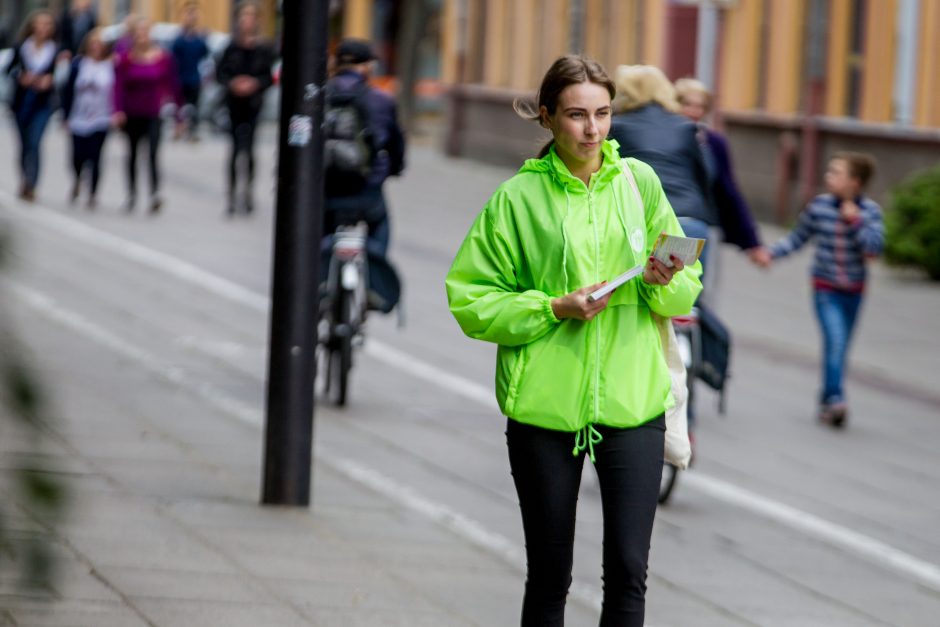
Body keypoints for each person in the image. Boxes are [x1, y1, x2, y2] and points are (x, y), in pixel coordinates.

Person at [445, 55, 702, 626]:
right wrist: (552, 307)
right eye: (577, 115)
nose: (592, 130)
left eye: (603, 114)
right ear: (547, 118)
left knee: (629, 572)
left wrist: (668, 281)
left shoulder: (640, 183)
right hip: (545, 404)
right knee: (550, 576)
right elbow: (471, 298)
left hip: (633, 400)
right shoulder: (517, 199)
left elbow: (686, 287)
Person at [751, 153, 883, 427]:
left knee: (840, 347)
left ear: (855, 182)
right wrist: (770, 254)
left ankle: (827, 399)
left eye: (837, 173)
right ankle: (836, 399)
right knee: (835, 341)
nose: (828, 177)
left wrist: (855, 221)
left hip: (854, 291)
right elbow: (798, 237)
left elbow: (873, 250)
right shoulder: (819, 207)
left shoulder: (870, 212)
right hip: (825, 288)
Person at [607, 65, 719, 298]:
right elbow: (707, 174)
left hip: (644, 221)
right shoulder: (685, 127)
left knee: (644, 292)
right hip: (691, 221)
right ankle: (694, 329)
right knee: (688, 296)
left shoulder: (616, 127)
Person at [321, 38, 405, 256]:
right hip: (367, 190)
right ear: (367, 66)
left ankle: (319, 277)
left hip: (327, 189)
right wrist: (394, 169)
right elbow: (396, 144)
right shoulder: (382, 100)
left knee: (320, 234)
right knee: (380, 227)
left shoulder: (318, 95)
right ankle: (374, 280)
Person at [675, 77, 765, 267]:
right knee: (667, 286)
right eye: (687, 104)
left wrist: (752, 242)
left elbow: (728, 191)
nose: (694, 111)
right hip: (669, 222)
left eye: (700, 106)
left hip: (702, 226)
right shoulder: (662, 138)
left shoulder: (713, 143)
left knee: (696, 288)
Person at [112, 18, 182, 213]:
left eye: (145, 32)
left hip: (154, 112)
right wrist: (117, 110)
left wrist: (178, 115)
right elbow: (118, 86)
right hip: (131, 112)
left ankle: (154, 193)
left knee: (152, 154)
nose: (142, 36)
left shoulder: (163, 58)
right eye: (138, 32)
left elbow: (173, 86)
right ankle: (132, 194)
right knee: (132, 154)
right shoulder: (126, 58)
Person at [216, 1, 275, 216]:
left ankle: (247, 192)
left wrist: (254, 84)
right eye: (242, 18)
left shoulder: (264, 49)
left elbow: (269, 77)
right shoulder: (230, 47)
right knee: (233, 150)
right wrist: (233, 83)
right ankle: (231, 195)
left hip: (253, 104)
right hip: (234, 104)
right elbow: (220, 74)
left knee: (249, 150)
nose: (246, 22)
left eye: (249, 17)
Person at [5, 10, 59, 202]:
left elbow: (62, 76)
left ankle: (32, 184)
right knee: (23, 145)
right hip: (21, 103)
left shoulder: (56, 49)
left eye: (47, 24)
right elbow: (9, 70)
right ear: (32, 26)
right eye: (40, 24)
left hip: (42, 104)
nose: (43, 28)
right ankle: (24, 178)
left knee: (35, 143)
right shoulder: (22, 47)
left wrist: (50, 80)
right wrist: (21, 77)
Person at [61, 27, 114, 209]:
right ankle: (77, 179)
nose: (96, 48)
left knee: (96, 156)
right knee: (77, 155)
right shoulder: (78, 64)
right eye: (93, 44)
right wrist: (65, 115)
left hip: (101, 117)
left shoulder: (111, 65)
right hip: (79, 115)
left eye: (99, 45)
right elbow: (67, 90)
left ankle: (92, 193)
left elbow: (117, 91)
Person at [171, 3, 209, 141]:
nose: (191, 17)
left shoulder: (200, 38)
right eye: (189, 14)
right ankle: (178, 128)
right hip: (180, 78)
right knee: (179, 105)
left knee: (194, 106)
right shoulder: (179, 38)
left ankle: (192, 130)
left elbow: (205, 56)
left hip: (194, 77)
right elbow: (173, 58)